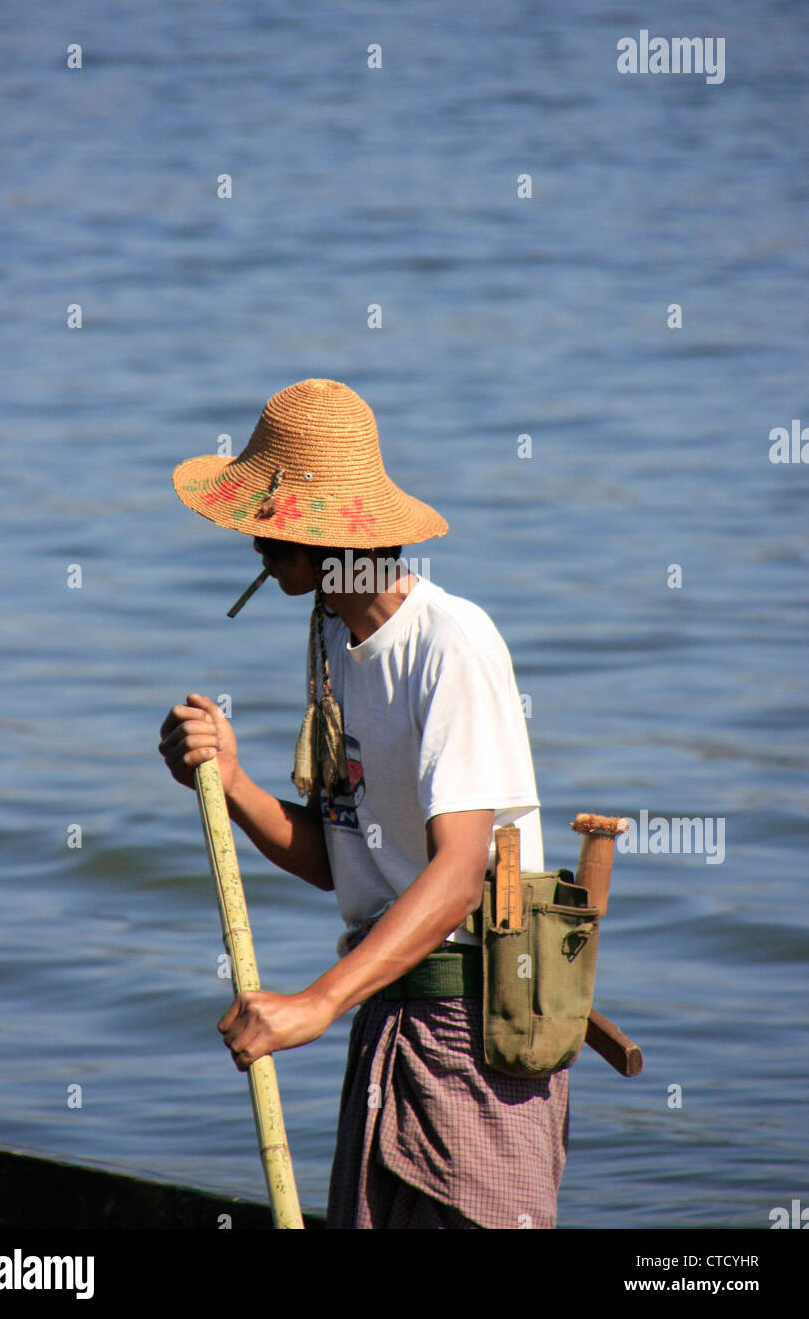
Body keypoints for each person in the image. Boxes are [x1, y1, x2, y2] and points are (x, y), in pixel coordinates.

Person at [158, 378, 569, 1229]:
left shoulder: (450, 646)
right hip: (388, 1016)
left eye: (269, 539)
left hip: (472, 1032)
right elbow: (345, 859)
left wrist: (315, 1001)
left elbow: (458, 877)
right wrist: (230, 783)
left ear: (314, 542)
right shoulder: (336, 644)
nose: (258, 554)